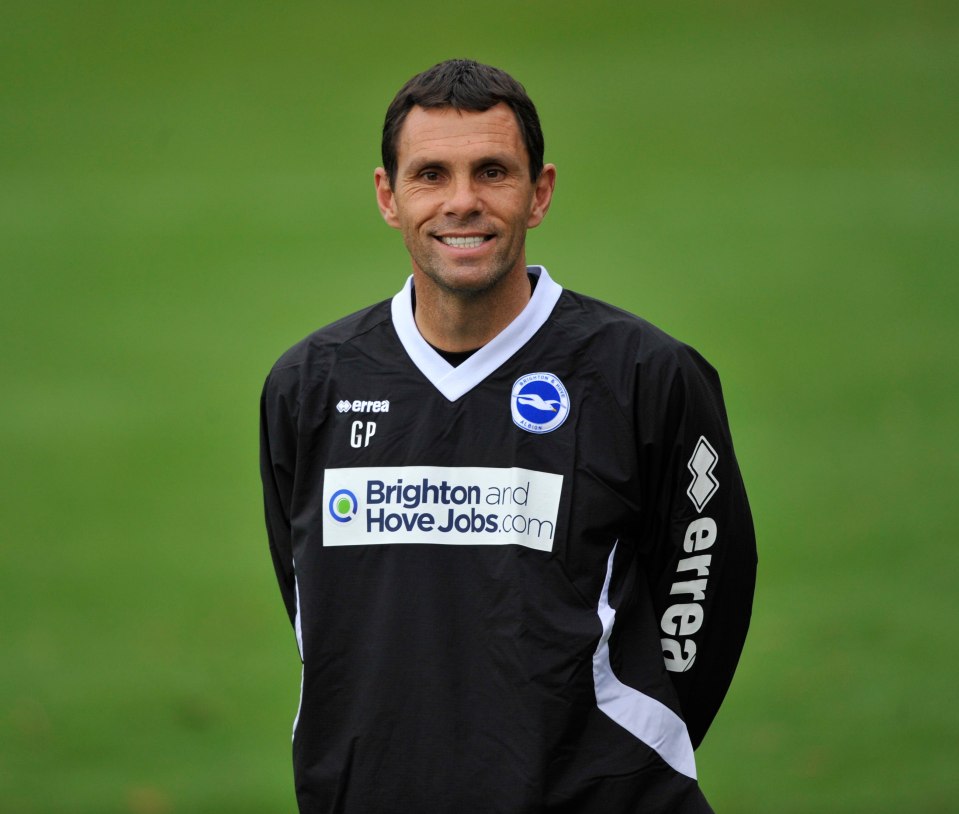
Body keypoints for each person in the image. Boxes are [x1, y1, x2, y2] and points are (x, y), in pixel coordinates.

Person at [260, 58, 757, 814]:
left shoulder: (641, 374)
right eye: (431, 175)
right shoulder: (310, 385)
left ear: (539, 192)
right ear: (388, 197)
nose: (463, 202)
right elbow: (312, 601)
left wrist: (626, 749)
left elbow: (706, 586)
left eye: (492, 171)